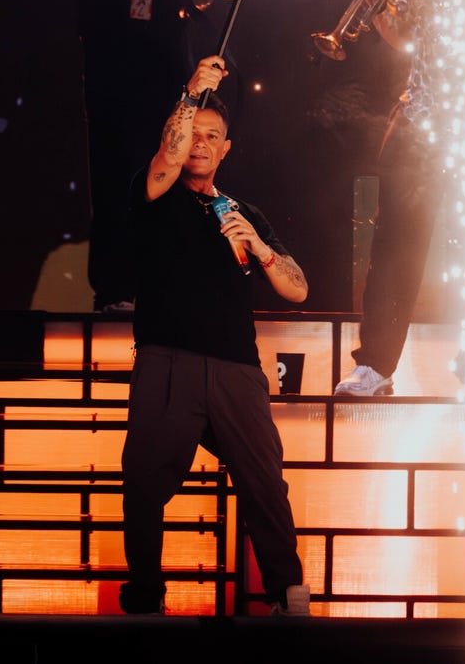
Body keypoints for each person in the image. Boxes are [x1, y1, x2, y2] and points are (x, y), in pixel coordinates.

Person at [118, 54, 311, 617]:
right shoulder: (156, 190)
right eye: (193, 133)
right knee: (144, 482)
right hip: (168, 360)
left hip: (235, 368)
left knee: (264, 481)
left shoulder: (244, 211)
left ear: (227, 148)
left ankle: (286, 591)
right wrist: (192, 94)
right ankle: (147, 598)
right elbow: (168, 155)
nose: (200, 142)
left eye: (213, 135)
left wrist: (262, 247)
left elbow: (296, 288)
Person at [37, 0, 242, 311]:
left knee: (168, 174)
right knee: (114, 179)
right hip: (110, 73)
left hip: (165, 71)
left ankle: (161, 282)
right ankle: (113, 291)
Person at [334, 0, 448, 397]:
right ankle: (376, 365)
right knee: (396, 244)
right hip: (421, 114)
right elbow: (407, 40)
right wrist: (375, 1)